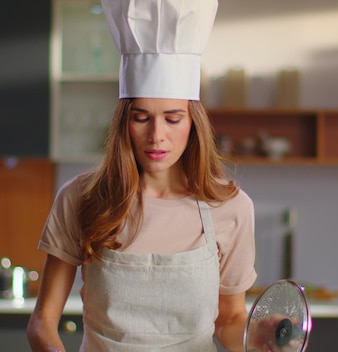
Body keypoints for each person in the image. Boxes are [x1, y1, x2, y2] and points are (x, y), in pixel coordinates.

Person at [27, 0, 257, 351]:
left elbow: (229, 319)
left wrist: (259, 339)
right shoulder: (81, 198)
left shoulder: (231, 208)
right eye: (141, 117)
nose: (157, 136)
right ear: (124, 121)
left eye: (173, 118)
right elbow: (43, 322)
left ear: (193, 123)